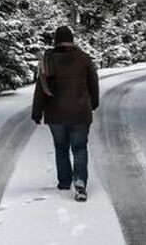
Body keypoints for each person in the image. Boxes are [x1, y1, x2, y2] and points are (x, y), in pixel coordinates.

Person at [31, 25, 99, 201]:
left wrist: (37, 113)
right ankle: (80, 181)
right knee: (80, 148)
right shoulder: (83, 58)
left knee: (61, 147)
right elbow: (93, 82)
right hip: (80, 113)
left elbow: (40, 88)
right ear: (72, 40)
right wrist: (94, 103)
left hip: (55, 114)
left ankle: (64, 181)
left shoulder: (48, 60)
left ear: (55, 40)